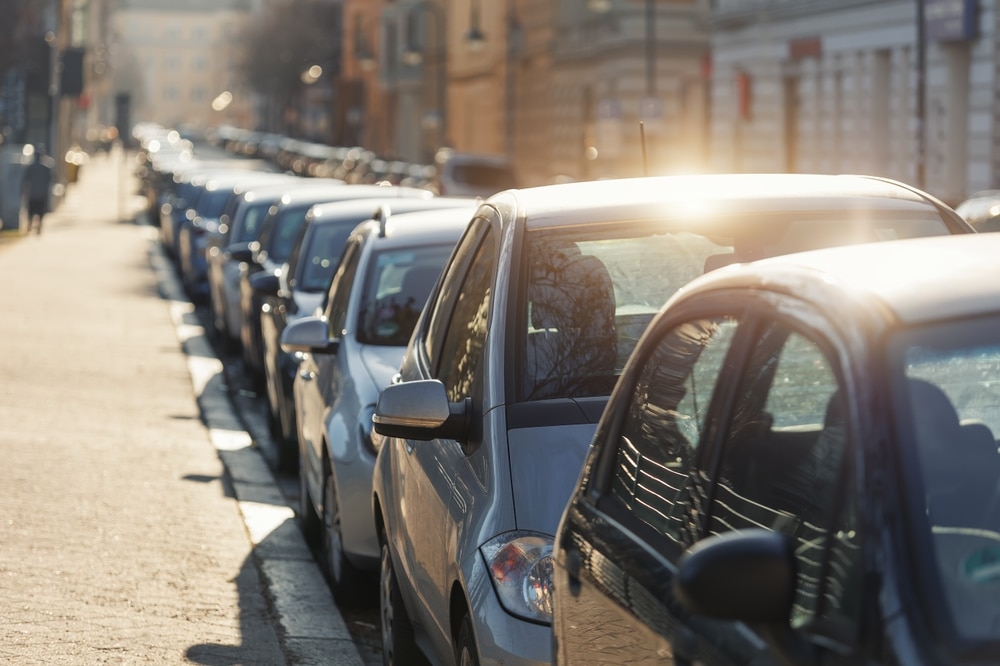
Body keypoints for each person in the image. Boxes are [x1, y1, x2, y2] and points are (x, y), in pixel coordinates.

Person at [22, 145, 54, 234]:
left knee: (31, 211)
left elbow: (25, 181)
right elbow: (50, 180)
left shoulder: (30, 167)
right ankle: (38, 226)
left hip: (32, 194)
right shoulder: (46, 168)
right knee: (40, 212)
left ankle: (30, 224)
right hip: (42, 194)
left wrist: (23, 192)